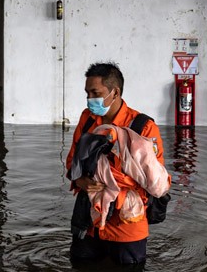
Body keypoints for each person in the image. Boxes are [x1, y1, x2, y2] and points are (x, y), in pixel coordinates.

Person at [65, 62, 167, 266]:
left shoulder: (143, 128)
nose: (89, 99)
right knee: (81, 264)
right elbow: (72, 160)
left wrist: (111, 180)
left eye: (95, 93)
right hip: (89, 219)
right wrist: (80, 180)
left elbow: (157, 182)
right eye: (87, 93)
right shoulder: (88, 119)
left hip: (126, 224)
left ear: (115, 92)